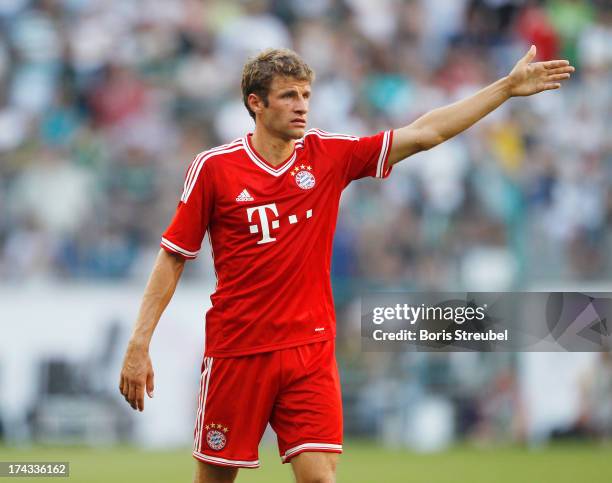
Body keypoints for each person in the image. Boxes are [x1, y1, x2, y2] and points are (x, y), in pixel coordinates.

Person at [119, 46, 573, 483]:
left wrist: (505, 89)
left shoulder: (328, 155)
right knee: (215, 478)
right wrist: (140, 344)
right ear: (255, 104)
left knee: (319, 475)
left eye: (306, 95)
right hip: (239, 350)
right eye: (289, 96)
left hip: (309, 349)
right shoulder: (215, 169)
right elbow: (173, 257)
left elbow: (424, 133)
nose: (302, 106)